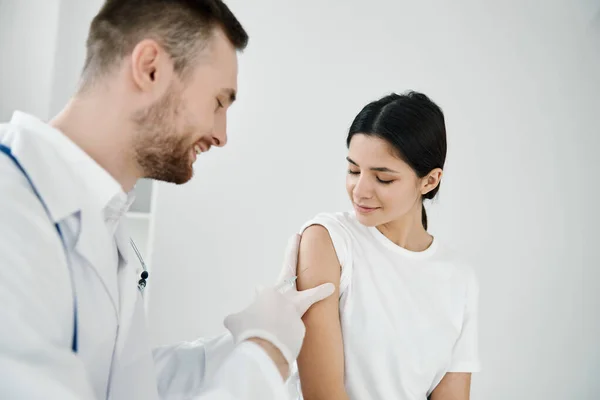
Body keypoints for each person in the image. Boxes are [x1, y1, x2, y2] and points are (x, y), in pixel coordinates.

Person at [0, 0, 334, 399]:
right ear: (150, 68)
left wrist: (239, 344)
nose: (221, 134)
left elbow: (121, 382)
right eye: (218, 102)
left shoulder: (102, 218)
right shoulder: (12, 207)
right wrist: (263, 356)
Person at [287, 91, 481, 399]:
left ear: (429, 181)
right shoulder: (328, 240)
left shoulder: (459, 278)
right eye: (353, 170)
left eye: (383, 179)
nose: (359, 190)